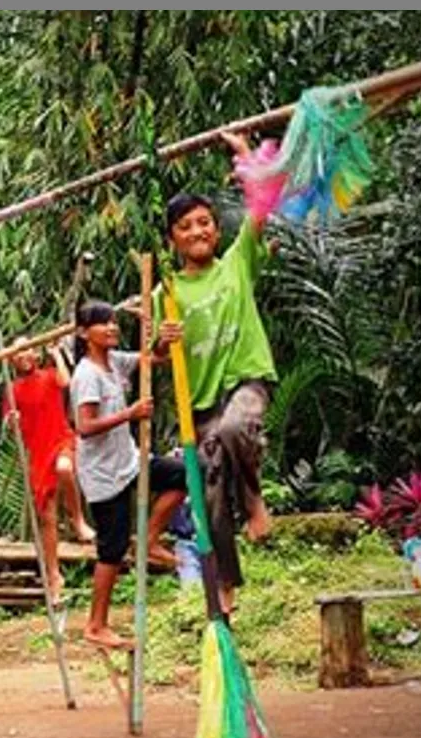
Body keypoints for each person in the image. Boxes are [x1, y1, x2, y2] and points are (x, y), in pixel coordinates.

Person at [153, 132, 278, 615]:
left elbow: (262, 206)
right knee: (208, 500)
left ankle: (255, 500)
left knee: (235, 428)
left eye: (205, 222)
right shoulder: (168, 291)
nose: (198, 230)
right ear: (174, 239)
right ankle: (226, 580)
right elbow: (155, 356)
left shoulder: (236, 265)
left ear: (217, 231)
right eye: (186, 225)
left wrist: (245, 156)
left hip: (246, 381)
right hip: (199, 404)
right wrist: (161, 344)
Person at [70, 300, 187, 649]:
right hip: (103, 474)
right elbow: (84, 426)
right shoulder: (87, 374)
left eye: (112, 322)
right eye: (101, 324)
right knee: (112, 548)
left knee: (181, 476)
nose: (110, 328)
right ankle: (95, 625)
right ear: (83, 333)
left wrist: (158, 332)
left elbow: (156, 359)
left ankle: (149, 541)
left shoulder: (115, 362)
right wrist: (131, 414)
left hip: (130, 461)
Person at [2, 337, 96, 605]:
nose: (25, 355)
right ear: (12, 360)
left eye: (28, 349)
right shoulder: (13, 390)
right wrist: (13, 421)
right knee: (48, 517)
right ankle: (54, 576)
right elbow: (10, 425)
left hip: (60, 439)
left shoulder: (51, 374)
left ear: (36, 352)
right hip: (38, 452)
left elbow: (67, 383)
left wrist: (55, 352)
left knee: (66, 468)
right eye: (18, 352)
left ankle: (78, 520)